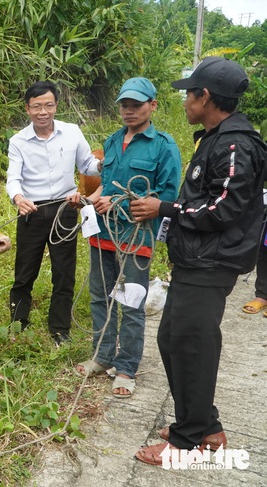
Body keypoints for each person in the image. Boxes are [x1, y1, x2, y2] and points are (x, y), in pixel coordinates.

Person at [130, 57, 267, 465]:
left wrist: (165, 209)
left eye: (189, 93)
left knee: (192, 346)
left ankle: (187, 441)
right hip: (196, 261)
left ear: (204, 96)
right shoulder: (214, 137)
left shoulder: (235, 145)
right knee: (173, 340)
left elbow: (223, 211)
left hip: (212, 263)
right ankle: (206, 425)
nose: (186, 100)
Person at [70, 78, 181, 399]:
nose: (129, 111)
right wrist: (89, 200)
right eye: (124, 105)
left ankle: (127, 367)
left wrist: (122, 203)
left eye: (136, 105)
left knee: (131, 302)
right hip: (103, 232)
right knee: (99, 296)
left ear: (152, 105)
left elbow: (167, 196)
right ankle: (102, 355)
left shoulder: (164, 146)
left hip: (136, 234)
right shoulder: (112, 140)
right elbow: (105, 184)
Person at [5, 80, 100, 346]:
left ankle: (60, 332)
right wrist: (18, 197)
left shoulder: (71, 133)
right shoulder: (18, 141)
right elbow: (13, 178)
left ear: (56, 105)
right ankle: (17, 325)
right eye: (36, 106)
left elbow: (87, 165)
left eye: (48, 105)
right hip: (32, 212)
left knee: (64, 272)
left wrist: (104, 164)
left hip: (65, 209)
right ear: (27, 109)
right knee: (24, 272)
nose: (43, 112)